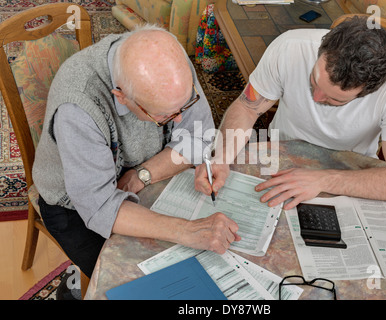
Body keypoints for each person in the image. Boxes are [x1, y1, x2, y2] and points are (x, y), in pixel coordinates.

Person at [33, 24, 240, 279]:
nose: (179, 121)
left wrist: (141, 175)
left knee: (202, 268)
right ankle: (76, 286)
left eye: (185, 105)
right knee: (145, 282)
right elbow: (100, 208)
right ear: (121, 97)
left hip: (141, 170)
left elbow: (199, 136)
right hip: (74, 205)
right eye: (164, 115)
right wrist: (188, 230)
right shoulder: (78, 109)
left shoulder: (169, 60)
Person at [194, 16, 386, 210]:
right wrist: (221, 157)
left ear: (369, 90)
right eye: (315, 79)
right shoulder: (290, 46)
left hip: (350, 174)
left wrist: (325, 179)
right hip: (279, 158)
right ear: (322, 49)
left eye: (334, 99)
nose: (316, 98)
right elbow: (246, 107)